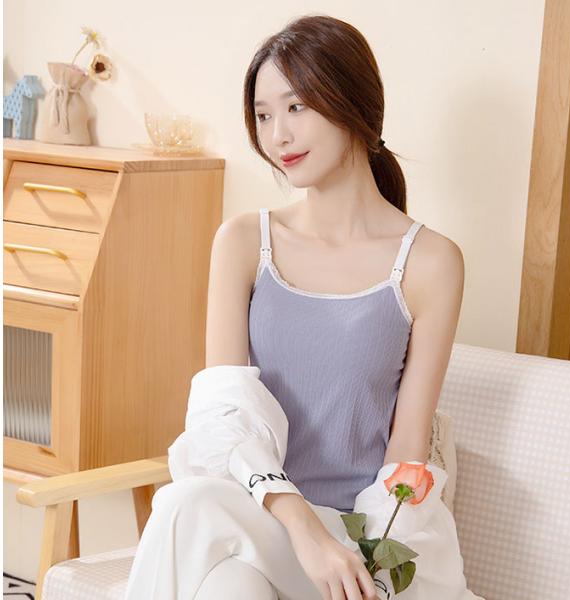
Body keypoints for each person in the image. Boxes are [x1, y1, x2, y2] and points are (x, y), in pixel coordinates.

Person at [125, 13, 464, 600]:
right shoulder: (243, 243)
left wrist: (363, 560)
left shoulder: (429, 262)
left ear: (353, 103)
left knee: (186, 505)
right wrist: (303, 528)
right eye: (263, 115)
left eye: (296, 106)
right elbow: (223, 419)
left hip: (357, 543)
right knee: (228, 584)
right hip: (267, 520)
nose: (277, 134)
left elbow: (406, 452)